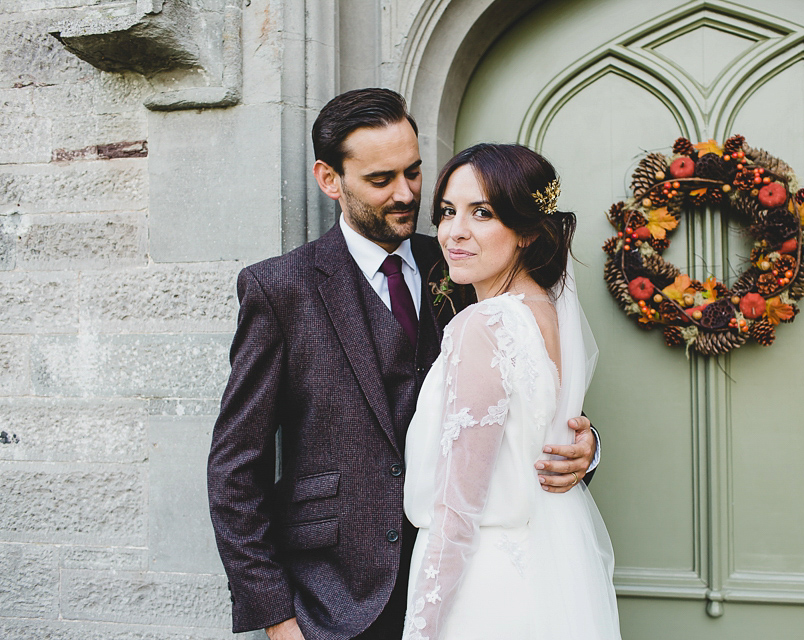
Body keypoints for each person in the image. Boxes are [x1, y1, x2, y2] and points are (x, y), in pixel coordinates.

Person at [207, 88, 599, 640]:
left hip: (468, 590)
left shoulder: (466, 258)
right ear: (329, 179)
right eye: (380, 179)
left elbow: (523, 394)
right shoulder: (280, 289)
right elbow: (233, 470)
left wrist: (583, 448)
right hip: (333, 600)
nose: (406, 193)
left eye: (414, 172)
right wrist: (275, 614)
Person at [402, 144, 621, 639]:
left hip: (480, 588)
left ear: (525, 231)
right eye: (447, 212)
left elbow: (457, 511)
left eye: (482, 213)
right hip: (542, 579)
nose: (455, 231)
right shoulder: (549, 314)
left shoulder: (482, 325)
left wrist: (422, 628)